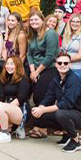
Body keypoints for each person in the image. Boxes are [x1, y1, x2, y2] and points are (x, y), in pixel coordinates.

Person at [30, 52, 81, 153]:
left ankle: (75, 140)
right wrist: (40, 107)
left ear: (70, 64)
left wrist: (43, 110)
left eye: (66, 63)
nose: (62, 65)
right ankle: (67, 135)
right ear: (56, 64)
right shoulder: (56, 79)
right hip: (68, 112)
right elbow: (49, 96)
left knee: (60, 113)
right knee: (38, 117)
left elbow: (65, 104)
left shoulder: (73, 80)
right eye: (60, 63)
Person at [25, 9, 60, 138]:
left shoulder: (50, 34)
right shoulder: (32, 34)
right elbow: (29, 54)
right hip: (35, 70)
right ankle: (37, 126)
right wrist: (33, 71)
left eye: (36, 19)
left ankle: (43, 128)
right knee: (35, 97)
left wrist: (37, 71)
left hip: (49, 69)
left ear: (42, 20)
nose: (33, 22)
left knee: (42, 96)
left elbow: (50, 56)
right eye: (31, 20)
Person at [0, 56, 31, 140]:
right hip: (6, 110)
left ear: (18, 65)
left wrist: (2, 109)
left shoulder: (23, 79)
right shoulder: (4, 78)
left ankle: (5, 134)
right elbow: (1, 97)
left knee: (0, 106)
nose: (9, 66)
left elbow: (20, 99)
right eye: (7, 64)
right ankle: (12, 129)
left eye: (12, 64)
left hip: (21, 110)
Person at [62, 13, 81, 81]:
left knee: (74, 91)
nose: (75, 23)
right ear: (70, 22)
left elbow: (80, 56)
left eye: (77, 22)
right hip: (64, 68)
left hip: (76, 69)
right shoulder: (67, 34)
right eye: (73, 21)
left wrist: (63, 60)